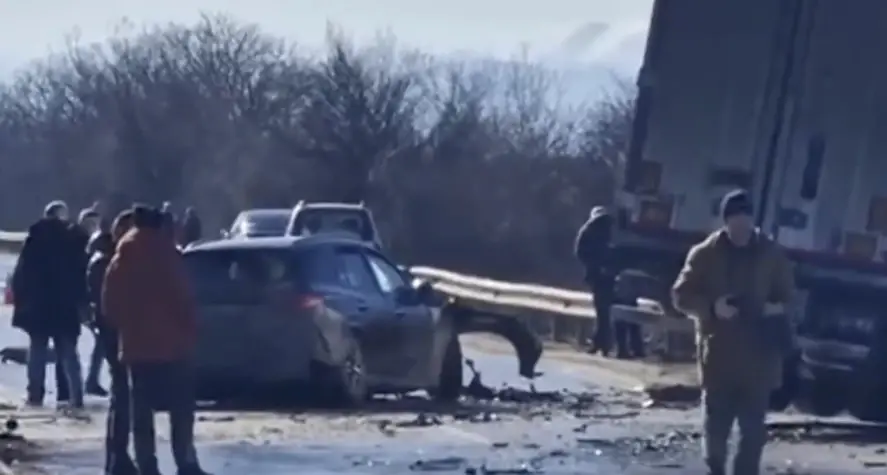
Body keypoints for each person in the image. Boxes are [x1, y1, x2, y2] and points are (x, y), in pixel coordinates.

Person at [672, 189, 795, 475]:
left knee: (752, 434)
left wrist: (772, 308)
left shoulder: (771, 254)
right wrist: (712, 307)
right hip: (719, 355)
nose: (742, 224)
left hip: (759, 357)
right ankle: (715, 469)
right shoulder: (705, 254)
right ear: (726, 220)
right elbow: (681, 295)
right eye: (735, 218)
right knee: (716, 430)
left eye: (746, 217)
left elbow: (789, 297)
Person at [103, 206, 209, 475]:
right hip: (173, 345)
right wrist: (191, 330)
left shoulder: (122, 257)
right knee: (181, 410)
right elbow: (183, 298)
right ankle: (186, 462)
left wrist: (127, 326)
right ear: (159, 225)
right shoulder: (167, 254)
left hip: (136, 347)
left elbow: (110, 305)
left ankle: (147, 465)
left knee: (141, 412)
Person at [11, 200, 86, 411]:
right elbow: (80, 273)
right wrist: (81, 301)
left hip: (38, 305)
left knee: (38, 352)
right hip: (65, 304)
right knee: (69, 353)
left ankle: (35, 394)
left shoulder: (34, 239)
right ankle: (76, 396)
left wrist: (22, 301)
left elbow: (21, 274)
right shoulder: (72, 239)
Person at [88, 225, 138, 475]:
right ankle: (118, 455)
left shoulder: (103, 261)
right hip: (116, 334)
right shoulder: (109, 263)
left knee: (120, 396)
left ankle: (117, 454)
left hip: (111, 333)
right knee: (123, 396)